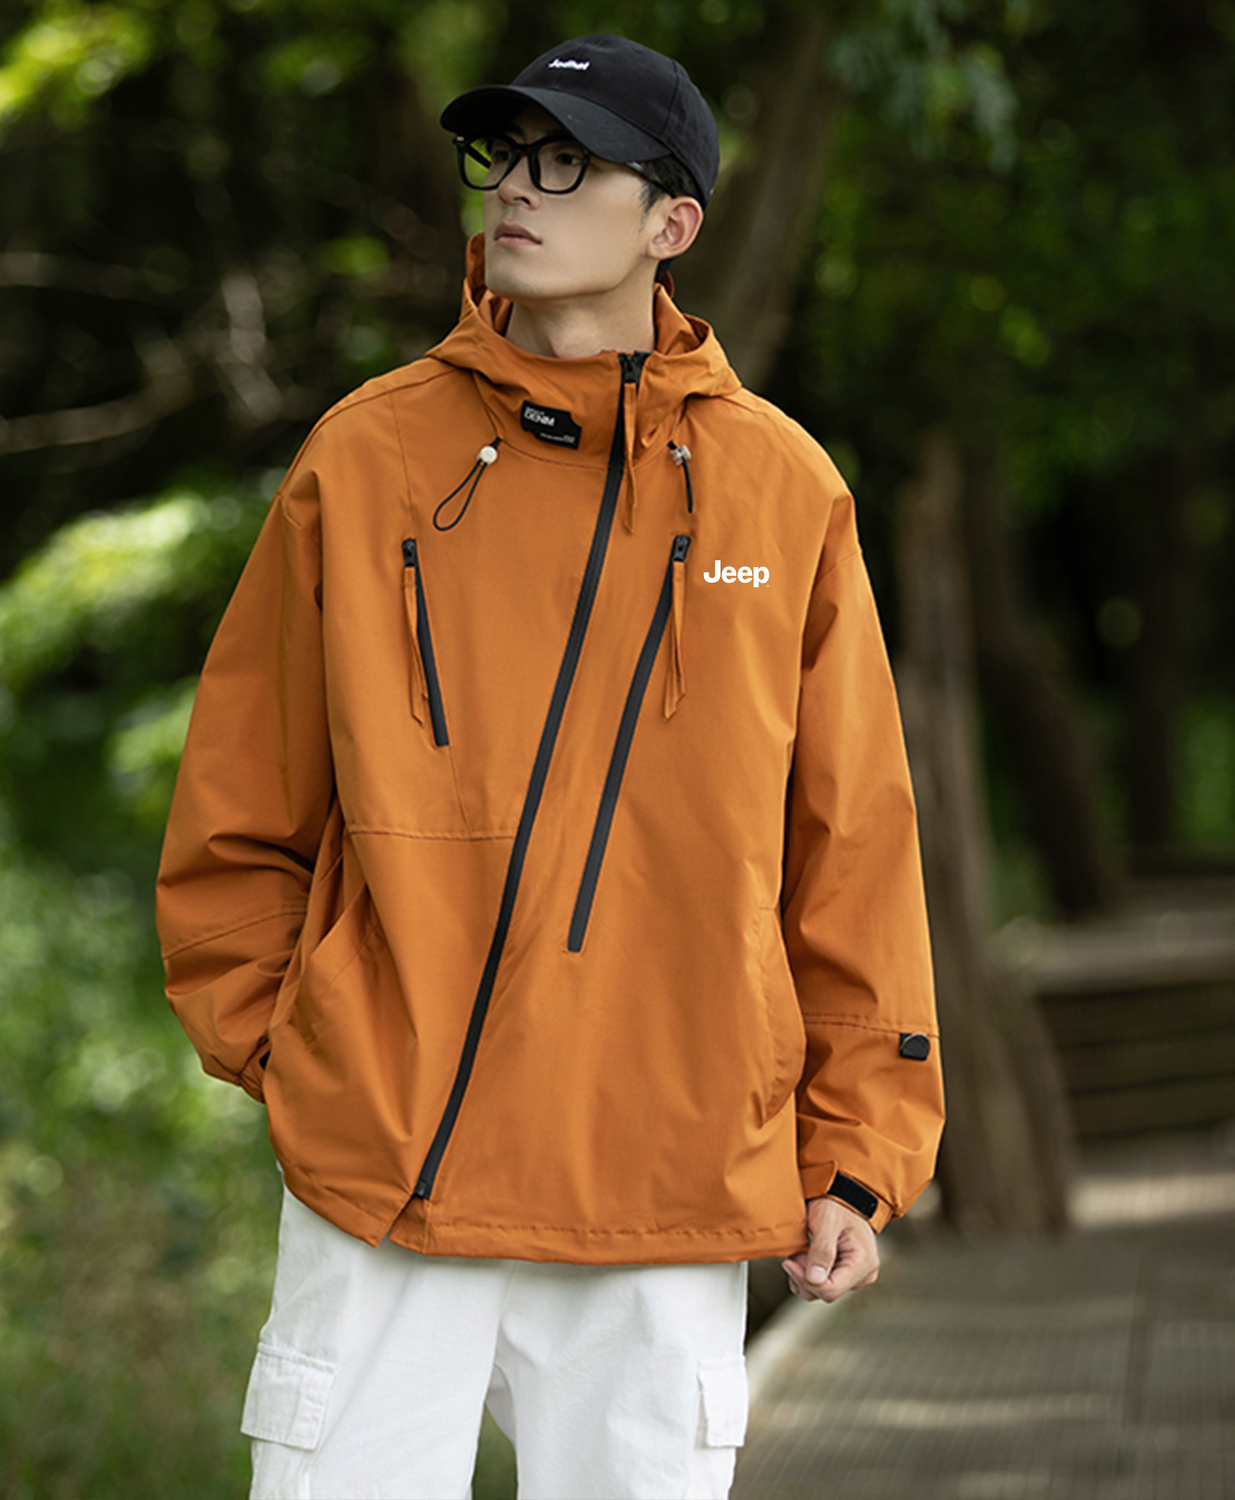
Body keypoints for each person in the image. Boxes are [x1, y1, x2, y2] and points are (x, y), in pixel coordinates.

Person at [156, 32, 943, 1500]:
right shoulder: (365, 456)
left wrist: (857, 1147)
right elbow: (239, 809)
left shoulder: (785, 489)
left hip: (671, 1171)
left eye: (568, 161)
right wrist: (302, 1048)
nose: (516, 187)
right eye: (505, 155)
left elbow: (852, 848)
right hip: (390, 1167)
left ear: (672, 224)